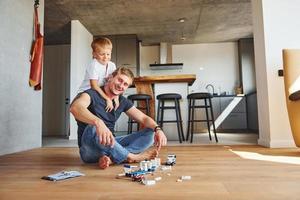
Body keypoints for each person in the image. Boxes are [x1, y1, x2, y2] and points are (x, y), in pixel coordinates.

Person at [70, 67, 167, 169]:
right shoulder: (91, 94)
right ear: (110, 77)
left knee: (150, 132)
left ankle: (112, 158)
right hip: (90, 149)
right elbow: (75, 108)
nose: (121, 85)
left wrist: (158, 129)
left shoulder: (121, 101)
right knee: (92, 127)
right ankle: (130, 156)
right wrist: (98, 123)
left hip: (111, 144)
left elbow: (143, 118)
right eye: (120, 80)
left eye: (125, 84)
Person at [78, 37, 119, 112]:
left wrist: (116, 98)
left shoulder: (112, 65)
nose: (105, 57)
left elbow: (113, 82)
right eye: (102, 54)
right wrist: (107, 98)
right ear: (94, 54)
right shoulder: (94, 65)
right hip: (87, 91)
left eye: (108, 54)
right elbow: (94, 86)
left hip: (100, 92)